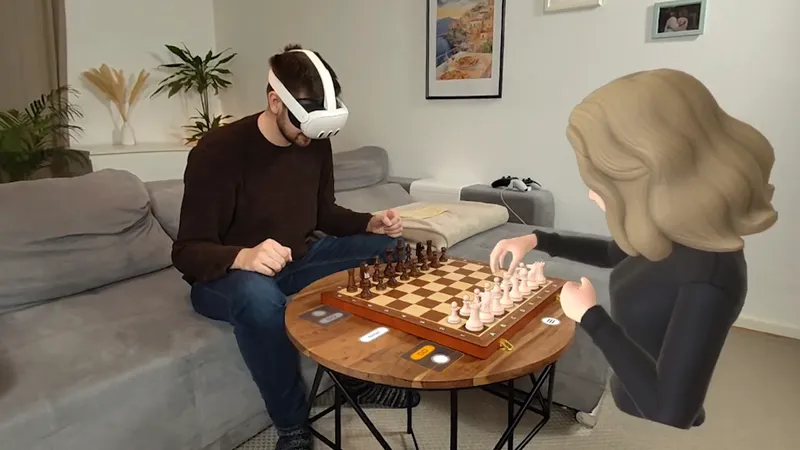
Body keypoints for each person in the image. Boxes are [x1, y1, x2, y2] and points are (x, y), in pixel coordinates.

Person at [490, 69, 777, 429]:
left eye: (601, 180)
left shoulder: (710, 278)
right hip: (626, 395)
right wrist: (538, 240)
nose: (591, 194)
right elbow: (614, 254)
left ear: (649, 176)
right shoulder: (678, 237)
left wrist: (590, 315)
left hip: (645, 422)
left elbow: (670, 410)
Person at [172, 44, 417, 450]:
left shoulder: (313, 141)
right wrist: (244, 256)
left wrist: (368, 223)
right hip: (226, 278)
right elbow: (186, 251)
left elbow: (323, 212)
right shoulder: (217, 152)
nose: (309, 137)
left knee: (391, 250)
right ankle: (292, 426)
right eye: (303, 125)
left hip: (296, 260)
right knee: (258, 298)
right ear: (274, 102)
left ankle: (358, 380)